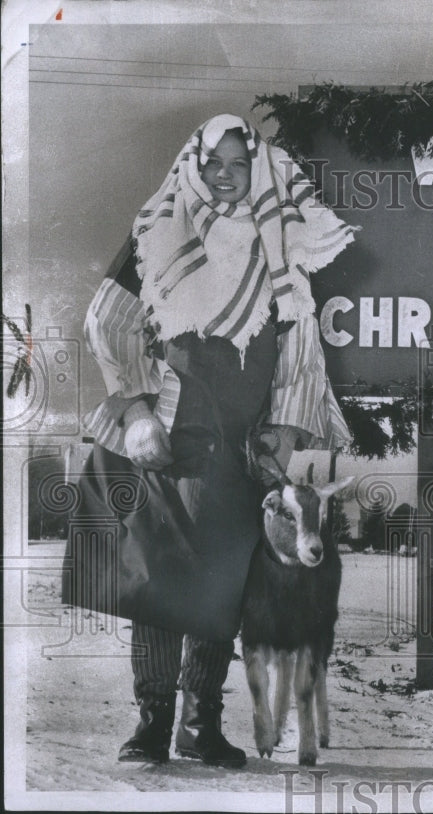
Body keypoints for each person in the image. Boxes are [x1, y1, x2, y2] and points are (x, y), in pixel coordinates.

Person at [61, 114, 356, 768]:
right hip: (173, 439)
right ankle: (151, 723)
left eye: (238, 165)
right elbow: (108, 320)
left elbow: (300, 345)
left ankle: (202, 724)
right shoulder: (158, 236)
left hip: (241, 448)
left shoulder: (278, 251)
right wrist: (137, 414)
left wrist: (283, 430)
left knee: (223, 586)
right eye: (213, 164)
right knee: (161, 585)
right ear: (193, 166)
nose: (225, 176)